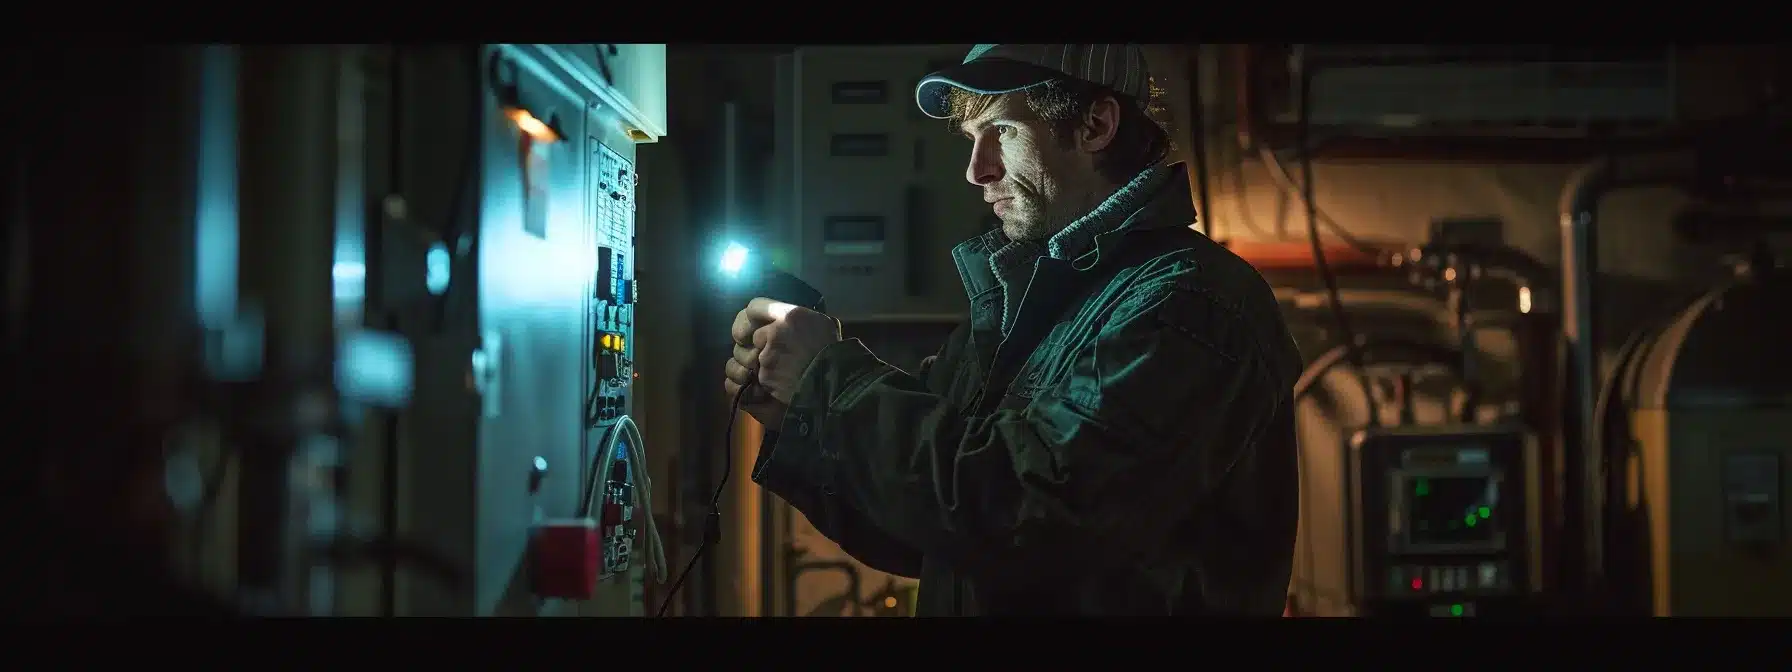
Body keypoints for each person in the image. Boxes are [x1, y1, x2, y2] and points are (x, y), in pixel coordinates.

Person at [724, 44, 1301, 615]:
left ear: (1095, 125)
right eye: (972, 139)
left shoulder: (1189, 304)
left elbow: (1033, 513)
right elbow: (930, 532)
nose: (978, 170)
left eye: (1003, 130)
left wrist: (831, 382)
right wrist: (801, 417)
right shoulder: (1027, 303)